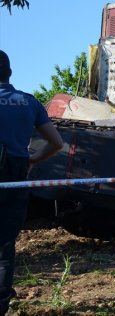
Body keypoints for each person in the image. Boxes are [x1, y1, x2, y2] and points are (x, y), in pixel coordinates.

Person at [0, 50, 63, 315]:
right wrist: (32, 161)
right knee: (4, 247)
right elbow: (56, 143)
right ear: (10, 73)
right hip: (15, 174)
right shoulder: (29, 102)